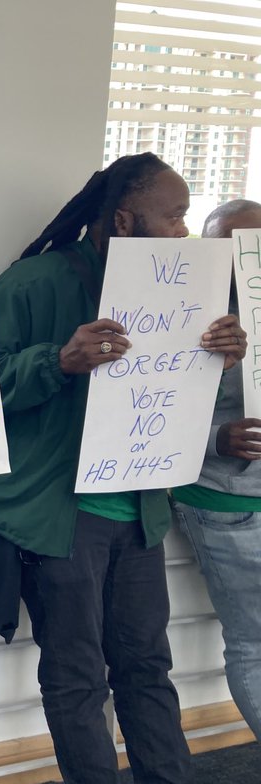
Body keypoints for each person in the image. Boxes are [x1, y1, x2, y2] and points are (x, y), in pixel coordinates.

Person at [0, 153, 256, 784]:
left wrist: (226, 361)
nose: (186, 230)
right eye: (175, 214)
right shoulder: (31, 285)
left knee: (147, 676)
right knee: (77, 686)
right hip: (60, 518)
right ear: (125, 219)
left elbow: (178, 395)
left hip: (140, 512)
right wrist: (56, 361)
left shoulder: (186, 291)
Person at [171, 198, 261, 741]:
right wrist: (217, 438)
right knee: (254, 640)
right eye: (229, 244)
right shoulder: (182, 313)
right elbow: (145, 416)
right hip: (224, 499)